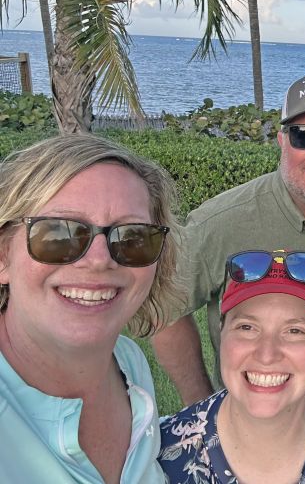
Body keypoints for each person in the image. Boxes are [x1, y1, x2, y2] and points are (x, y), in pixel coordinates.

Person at [152, 72, 305, 406]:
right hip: (245, 429)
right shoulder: (222, 222)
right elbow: (164, 307)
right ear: (282, 142)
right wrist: (200, 401)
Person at [0, 135, 180, 483]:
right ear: (4, 256)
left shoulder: (128, 366)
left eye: (132, 238)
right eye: (59, 234)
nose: (99, 260)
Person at [159, 248, 305, 483]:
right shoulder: (162, 458)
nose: (267, 354)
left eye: (294, 331)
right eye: (247, 327)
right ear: (221, 332)